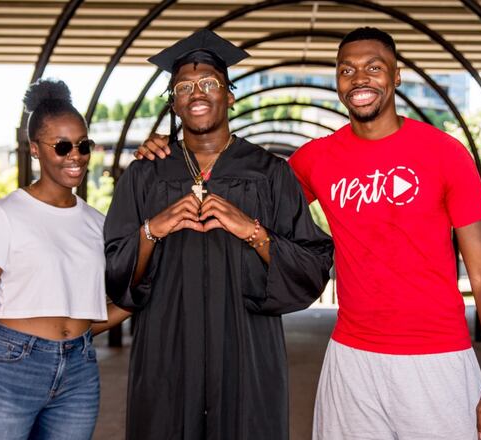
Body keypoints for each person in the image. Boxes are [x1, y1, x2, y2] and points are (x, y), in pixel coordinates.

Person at [135, 27, 481, 440]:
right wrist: (170, 153)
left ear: (397, 75)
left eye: (374, 67)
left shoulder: (444, 153)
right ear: (337, 80)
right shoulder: (317, 159)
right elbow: (242, 184)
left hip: (436, 355)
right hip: (351, 356)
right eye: (347, 70)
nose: (360, 79)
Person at [104, 29, 334, 440]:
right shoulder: (145, 174)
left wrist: (253, 231)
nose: (197, 93)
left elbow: (313, 265)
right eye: (184, 87)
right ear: (173, 102)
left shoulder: (269, 172)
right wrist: (152, 229)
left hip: (247, 344)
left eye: (209, 83)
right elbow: (116, 271)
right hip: (165, 345)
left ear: (229, 95)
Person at [0, 78, 130, 440]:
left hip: (79, 369)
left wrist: (138, 300)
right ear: (35, 149)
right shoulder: (4, 216)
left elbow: (86, 317)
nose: (75, 156)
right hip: (10, 368)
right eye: (62, 146)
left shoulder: (97, 223)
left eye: (83, 145)